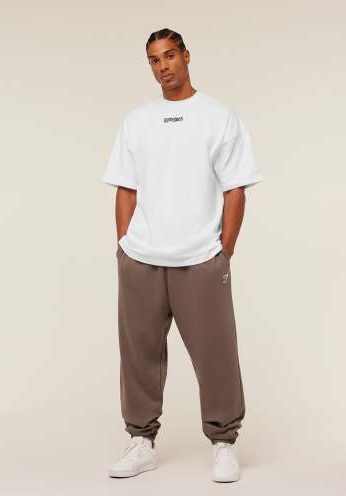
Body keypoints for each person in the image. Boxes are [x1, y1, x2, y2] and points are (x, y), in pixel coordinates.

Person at [102, 28, 263, 483]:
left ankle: (224, 442)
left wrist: (223, 252)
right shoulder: (137, 121)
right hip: (142, 259)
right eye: (154, 60)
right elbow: (125, 188)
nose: (163, 66)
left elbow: (236, 189)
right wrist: (124, 246)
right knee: (139, 355)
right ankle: (141, 441)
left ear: (187, 56)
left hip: (200, 259)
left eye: (170, 55)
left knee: (216, 353)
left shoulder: (219, 117)